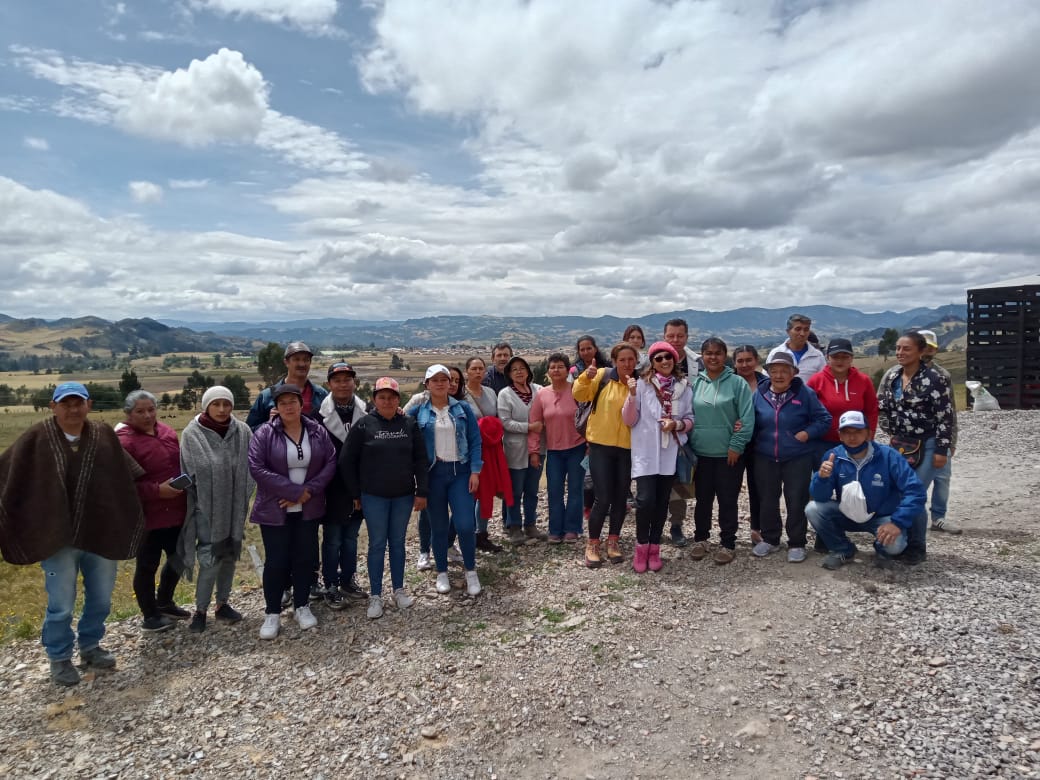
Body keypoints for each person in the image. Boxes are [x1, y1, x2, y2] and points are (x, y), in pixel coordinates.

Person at [0, 382, 144, 687]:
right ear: (53, 407)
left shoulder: (104, 435)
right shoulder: (36, 438)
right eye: (65, 403)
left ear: (89, 405)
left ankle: (90, 646)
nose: (73, 409)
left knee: (102, 599)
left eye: (78, 403)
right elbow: (9, 475)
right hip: (57, 539)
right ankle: (59, 657)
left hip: (102, 532)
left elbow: (124, 476)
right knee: (61, 603)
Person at [249, 384, 337, 639]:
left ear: (302, 405)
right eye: (283, 402)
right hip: (275, 509)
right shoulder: (264, 433)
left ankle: (302, 606)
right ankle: (272, 612)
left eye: (293, 401)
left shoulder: (316, 430)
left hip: (308, 507)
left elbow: (330, 462)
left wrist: (308, 491)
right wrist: (292, 491)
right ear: (276, 406)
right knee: (276, 561)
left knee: (304, 558)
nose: (289, 406)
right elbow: (256, 467)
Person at [342, 377, 429, 619]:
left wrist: (422, 491)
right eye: (382, 397)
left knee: (398, 543)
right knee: (377, 545)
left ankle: (399, 590)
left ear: (398, 399)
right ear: (374, 400)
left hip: (403, 496)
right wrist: (355, 493)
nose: (387, 401)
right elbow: (346, 461)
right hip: (373, 497)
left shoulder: (409, 424)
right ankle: (376, 595)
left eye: (392, 397)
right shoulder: (363, 425)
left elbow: (421, 460)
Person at [176, 385, 254, 633]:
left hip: (233, 507)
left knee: (230, 554)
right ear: (206, 406)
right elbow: (190, 471)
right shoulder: (192, 434)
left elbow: (250, 466)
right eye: (216, 404)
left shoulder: (242, 431)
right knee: (210, 559)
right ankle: (200, 610)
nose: (222, 410)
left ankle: (222, 604)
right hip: (207, 509)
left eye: (227, 404)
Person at [807, 411, 926, 570]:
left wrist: (896, 522)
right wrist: (821, 478)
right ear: (840, 435)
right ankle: (843, 549)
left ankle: (882, 549)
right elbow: (820, 497)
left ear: (869, 433)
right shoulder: (832, 456)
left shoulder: (889, 455)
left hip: (881, 517)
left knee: (895, 546)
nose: (852, 437)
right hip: (847, 514)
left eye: (858, 431)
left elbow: (915, 490)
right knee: (813, 509)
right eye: (846, 432)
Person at [877, 331, 954, 564]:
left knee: (915, 493)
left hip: (929, 444)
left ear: (921, 351)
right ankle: (906, 543)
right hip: (900, 445)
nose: (900, 353)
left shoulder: (934, 378)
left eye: (906, 349)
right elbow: (883, 406)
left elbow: (945, 416)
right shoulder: (892, 376)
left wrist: (942, 450)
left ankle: (917, 546)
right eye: (898, 348)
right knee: (902, 492)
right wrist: (891, 431)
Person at [409, 364, 484, 596]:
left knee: (465, 524)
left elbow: (474, 440)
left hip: (460, 473)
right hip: (433, 474)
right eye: (435, 380)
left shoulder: (462, 409)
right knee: (438, 526)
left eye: (445, 379)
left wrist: (475, 471)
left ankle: (471, 571)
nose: (441, 383)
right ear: (427, 384)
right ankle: (441, 571)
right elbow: (401, 428)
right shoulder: (418, 411)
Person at [117, 390, 188, 633]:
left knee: (181, 558)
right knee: (147, 566)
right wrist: (158, 491)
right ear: (128, 414)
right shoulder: (123, 442)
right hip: (146, 516)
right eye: (140, 411)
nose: (147, 415)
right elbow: (123, 485)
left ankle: (165, 602)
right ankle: (149, 615)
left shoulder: (167, 432)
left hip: (176, 510)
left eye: (151, 409)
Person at [751, 352, 831, 562]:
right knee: (767, 499)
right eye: (774, 371)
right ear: (767, 372)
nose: (779, 375)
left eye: (784, 371)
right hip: (765, 456)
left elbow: (824, 419)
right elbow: (751, 418)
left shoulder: (805, 393)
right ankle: (770, 539)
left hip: (798, 456)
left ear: (793, 373)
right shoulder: (759, 393)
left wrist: (806, 434)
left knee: (796, 500)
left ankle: (796, 542)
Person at [622, 341, 694, 573]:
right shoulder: (642, 385)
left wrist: (677, 424)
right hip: (645, 451)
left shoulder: (684, 387)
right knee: (645, 502)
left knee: (662, 502)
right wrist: (631, 395)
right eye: (658, 358)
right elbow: (629, 420)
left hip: (668, 452)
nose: (664, 361)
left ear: (674, 360)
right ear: (652, 363)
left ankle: (655, 548)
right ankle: (641, 547)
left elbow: (691, 418)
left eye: (668, 357)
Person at [688, 338, 755, 565]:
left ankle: (728, 543)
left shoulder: (737, 384)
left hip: (729, 455)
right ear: (702, 356)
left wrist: (736, 445)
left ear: (724, 355)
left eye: (717, 353)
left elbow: (746, 418)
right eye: (708, 353)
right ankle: (701, 539)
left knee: (727, 501)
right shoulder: (695, 384)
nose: (713, 357)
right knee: (702, 500)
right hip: (701, 454)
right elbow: (688, 416)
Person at [573, 342, 639, 567]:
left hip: (628, 448)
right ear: (614, 361)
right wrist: (585, 377)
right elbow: (579, 394)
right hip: (601, 445)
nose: (627, 364)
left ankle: (613, 542)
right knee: (602, 497)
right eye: (622, 360)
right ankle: (592, 544)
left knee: (621, 497)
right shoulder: (602, 376)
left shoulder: (639, 383)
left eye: (631, 360)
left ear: (636, 361)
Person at [315, 362, 369, 609]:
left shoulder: (366, 411)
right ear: (329, 384)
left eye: (347, 379)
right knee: (333, 539)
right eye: (337, 380)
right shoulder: (317, 416)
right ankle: (330, 585)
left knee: (351, 538)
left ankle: (348, 580)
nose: (343, 384)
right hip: (333, 488)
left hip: (359, 486)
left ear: (354, 383)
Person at [529, 353, 586, 543]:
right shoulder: (542, 394)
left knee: (576, 490)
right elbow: (535, 424)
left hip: (577, 447)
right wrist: (534, 451)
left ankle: (572, 528)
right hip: (554, 451)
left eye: (560, 366)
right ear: (547, 372)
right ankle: (555, 529)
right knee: (554, 491)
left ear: (567, 370)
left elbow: (588, 418)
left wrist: (590, 444)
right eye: (552, 367)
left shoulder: (577, 390)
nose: (556, 370)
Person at [807, 338, 879, 467]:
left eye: (845, 357)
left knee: (852, 483)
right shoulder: (816, 381)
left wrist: (870, 436)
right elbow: (807, 411)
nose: (840, 361)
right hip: (822, 443)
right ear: (828, 357)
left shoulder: (864, 381)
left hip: (855, 442)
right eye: (835, 357)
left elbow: (871, 410)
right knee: (824, 480)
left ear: (851, 358)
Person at [499, 355, 547, 544]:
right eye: (514, 369)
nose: (519, 372)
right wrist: (529, 427)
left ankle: (531, 524)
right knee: (515, 490)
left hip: (538, 449)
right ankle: (514, 526)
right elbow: (505, 423)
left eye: (522, 368)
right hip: (515, 450)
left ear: (528, 370)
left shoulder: (539, 390)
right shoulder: (505, 394)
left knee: (532, 490)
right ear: (509, 374)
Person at [661, 319, 700, 546]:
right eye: (671, 336)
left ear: (687, 337)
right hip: (657, 436)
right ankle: (654, 524)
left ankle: (676, 525)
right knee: (655, 483)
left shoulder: (697, 364)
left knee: (680, 482)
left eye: (680, 336)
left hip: (685, 432)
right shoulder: (651, 362)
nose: (675, 340)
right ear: (664, 336)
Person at [918, 329, 960, 535]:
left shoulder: (943, 375)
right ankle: (913, 517)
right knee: (916, 480)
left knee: (943, 478)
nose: (926, 351)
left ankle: (938, 518)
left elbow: (951, 410)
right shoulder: (899, 374)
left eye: (930, 348)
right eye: (923, 346)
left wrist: (952, 440)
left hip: (940, 437)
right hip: (912, 440)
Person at [246, 341, 329, 430]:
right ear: (286, 362)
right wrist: (269, 424)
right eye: (296, 359)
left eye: (306, 360)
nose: (302, 364)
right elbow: (249, 431)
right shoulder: (267, 397)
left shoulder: (321, 394)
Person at [733, 345, 768, 543]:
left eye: (749, 360)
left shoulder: (767, 384)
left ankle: (757, 527)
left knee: (758, 487)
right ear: (734, 363)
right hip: (734, 442)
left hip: (760, 443)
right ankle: (728, 530)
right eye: (740, 360)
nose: (745, 364)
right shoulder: (728, 382)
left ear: (756, 361)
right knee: (730, 487)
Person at [771, 313, 825, 382]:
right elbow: (767, 379)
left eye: (806, 330)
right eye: (798, 329)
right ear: (788, 331)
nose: (802, 333)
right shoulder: (775, 353)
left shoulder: (817, 356)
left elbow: (823, 382)